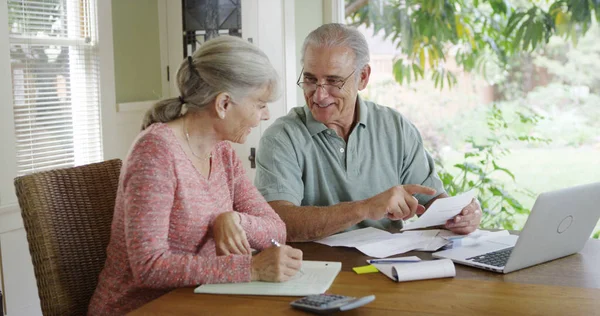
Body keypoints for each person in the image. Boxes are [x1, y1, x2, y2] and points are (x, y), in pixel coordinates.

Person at [88, 36, 302, 315]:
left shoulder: (222, 152)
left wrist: (234, 219)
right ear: (224, 103)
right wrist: (250, 268)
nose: (264, 115)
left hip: (200, 302)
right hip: (140, 308)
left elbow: (277, 229)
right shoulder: (155, 152)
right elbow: (149, 267)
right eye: (260, 104)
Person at [254, 23, 482, 242]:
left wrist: (460, 216)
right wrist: (364, 208)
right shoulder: (281, 138)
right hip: (317, 272)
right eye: (310, 80)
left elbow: (431, 201)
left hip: (389, 268)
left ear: (362, 77)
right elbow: (278, 223)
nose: (319, 95)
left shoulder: (395, 127)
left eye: (333, 81)